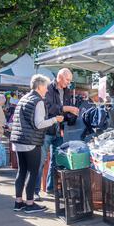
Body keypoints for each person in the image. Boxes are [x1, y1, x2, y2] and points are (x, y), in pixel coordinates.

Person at [10, 74, 64, 213]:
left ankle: (18, 202)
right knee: (33, 172)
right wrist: (55, 120)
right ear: (40, 86)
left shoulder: (23, 98)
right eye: (45, 87)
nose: (47, 90)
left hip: (18, 141)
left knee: (21, 171)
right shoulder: (38, 101)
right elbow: (39, 124)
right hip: (31, 142)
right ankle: (29, 203)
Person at [35, 68, 79, 200]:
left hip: (58, 130)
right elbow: (47, 107)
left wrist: (71, 115)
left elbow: (64, 110)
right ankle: (34, 192)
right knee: (40, 161)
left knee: (56, 161)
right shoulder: (47, 87)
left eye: (70, 80)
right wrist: (66, 108)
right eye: (67, 79)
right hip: (46, 130)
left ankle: (51, 188)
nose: (68, 83)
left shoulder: (67, 91)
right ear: (60, 77)